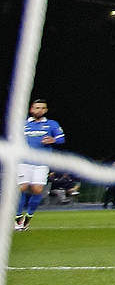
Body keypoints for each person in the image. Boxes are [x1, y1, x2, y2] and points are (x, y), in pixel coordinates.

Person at [15, 98, 65, 231]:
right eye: (37, 108)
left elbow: (61, 139)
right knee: (22, 187)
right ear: (32, 109)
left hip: (42, 163)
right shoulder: (23, 124)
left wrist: (53, 139)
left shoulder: (51, 124)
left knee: (37, 190)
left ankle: (28, 217)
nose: (40, 110)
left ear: (46, 110)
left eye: (43, 108)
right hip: (24, 162)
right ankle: (18, 218)